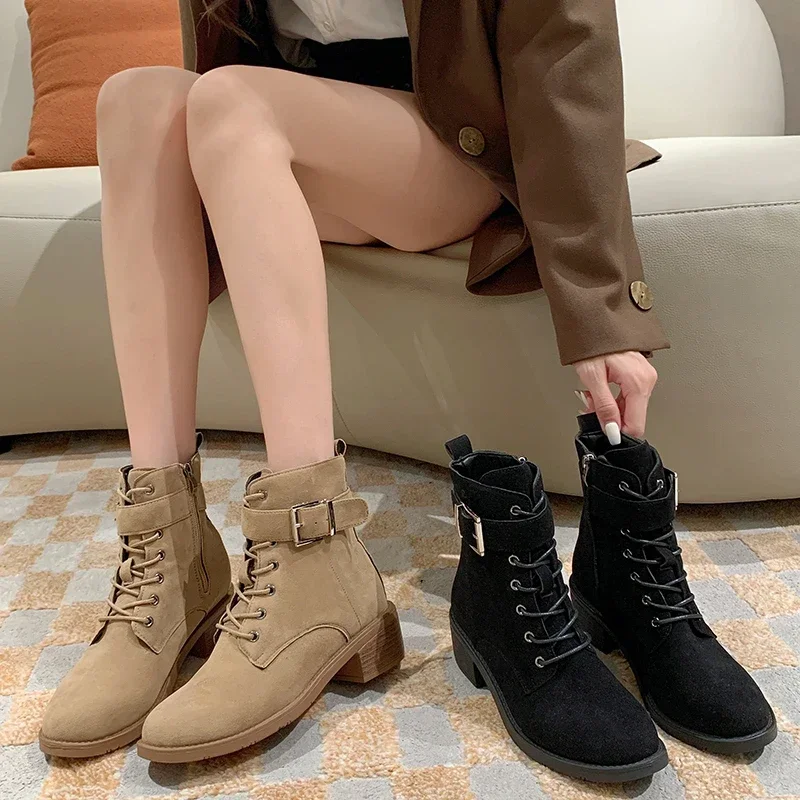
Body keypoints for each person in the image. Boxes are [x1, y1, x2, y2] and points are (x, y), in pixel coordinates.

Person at [39, 0, 678, 777]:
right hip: (297, 125)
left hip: (462, 136)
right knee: (134, 101)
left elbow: (563, 40)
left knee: (233, 104)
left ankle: (311, 547)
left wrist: (604, 308)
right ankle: (168, 550)